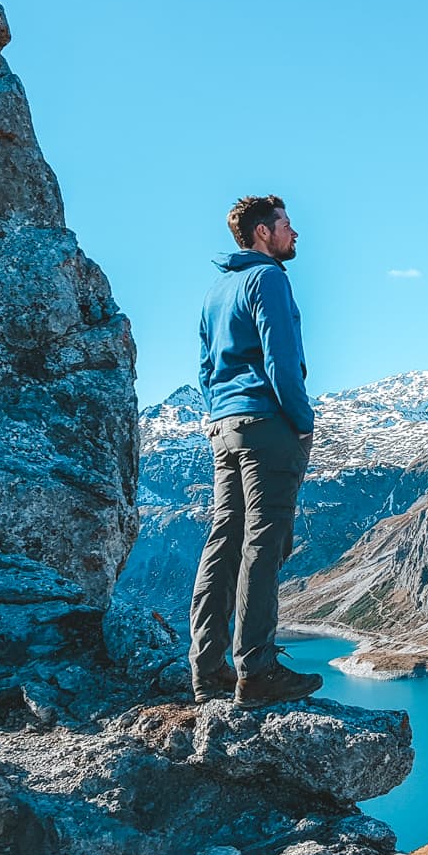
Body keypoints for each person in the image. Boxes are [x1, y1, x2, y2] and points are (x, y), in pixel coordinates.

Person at [189, 195, 324, 709]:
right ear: (263, 233)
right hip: (268, 426)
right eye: (287, 225)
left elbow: (205, 367)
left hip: (225, 427)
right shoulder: (267, 278)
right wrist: (302, 422)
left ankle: (207, 670)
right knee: (264, 549)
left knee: (223, 542)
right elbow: (281, 358)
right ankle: (257, 670)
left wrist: (222, 412)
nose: (295, 233)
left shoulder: (217, 288)